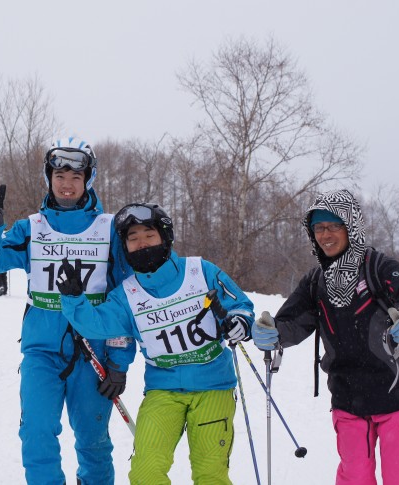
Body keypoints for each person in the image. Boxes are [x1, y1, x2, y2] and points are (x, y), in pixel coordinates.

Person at [0, 137, 135, 484]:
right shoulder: (32, 228)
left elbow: (125, 300)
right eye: (59, 175)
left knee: (93, 441)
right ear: (49, 177)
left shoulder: (109, 230)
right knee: (37, 435)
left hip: (95, 354)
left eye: (76, 177)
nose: (67, 184)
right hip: (42, 352)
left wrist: (119, 364)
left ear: (88, 179)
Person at [56, 202, 255, 485]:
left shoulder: (200, 271)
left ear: (165, 237)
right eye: (133, 239)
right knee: (145, 472)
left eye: (149, 235)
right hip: (163, 391)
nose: (142, 244)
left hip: (214, 387)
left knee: (210, 474)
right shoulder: (127, 294)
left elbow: (240, 305)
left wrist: (239, 321)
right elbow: (95, 324)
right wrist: (74, 297)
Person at [250, 189, 399, 485]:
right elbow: (291, 322)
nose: (326, 234)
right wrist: (272, 334)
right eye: (319, 228)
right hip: (348, 399)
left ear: (351, 226)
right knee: (354, 478)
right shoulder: (316, 281)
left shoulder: (378, 267)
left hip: (397, 395)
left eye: (334, 225)